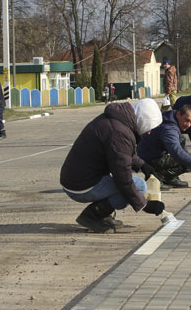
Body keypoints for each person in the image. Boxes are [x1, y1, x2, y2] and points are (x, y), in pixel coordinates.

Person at [60, 98, 166, 233]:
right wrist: (145, 205)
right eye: (149, 127)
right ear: (142, 119)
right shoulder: (119, 133)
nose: (149, 132)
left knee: (131, 186)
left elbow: (120, 153)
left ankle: (102, 213)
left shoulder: (118, 122)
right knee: (138, 186)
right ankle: (92, 216)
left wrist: (142, 165)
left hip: (77, 178)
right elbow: (123, 178)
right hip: (81, 185)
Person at [137, 103, 191, 188]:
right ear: (178, 114)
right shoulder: (169, 129)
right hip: (149, 158)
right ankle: (159, 177)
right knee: (188, 163)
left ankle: (170, 177)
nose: (188, 125)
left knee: (184, 146)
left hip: (149, 153)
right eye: (186, 120)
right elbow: (177, 152)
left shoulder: (170, 118)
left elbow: (180, 146)